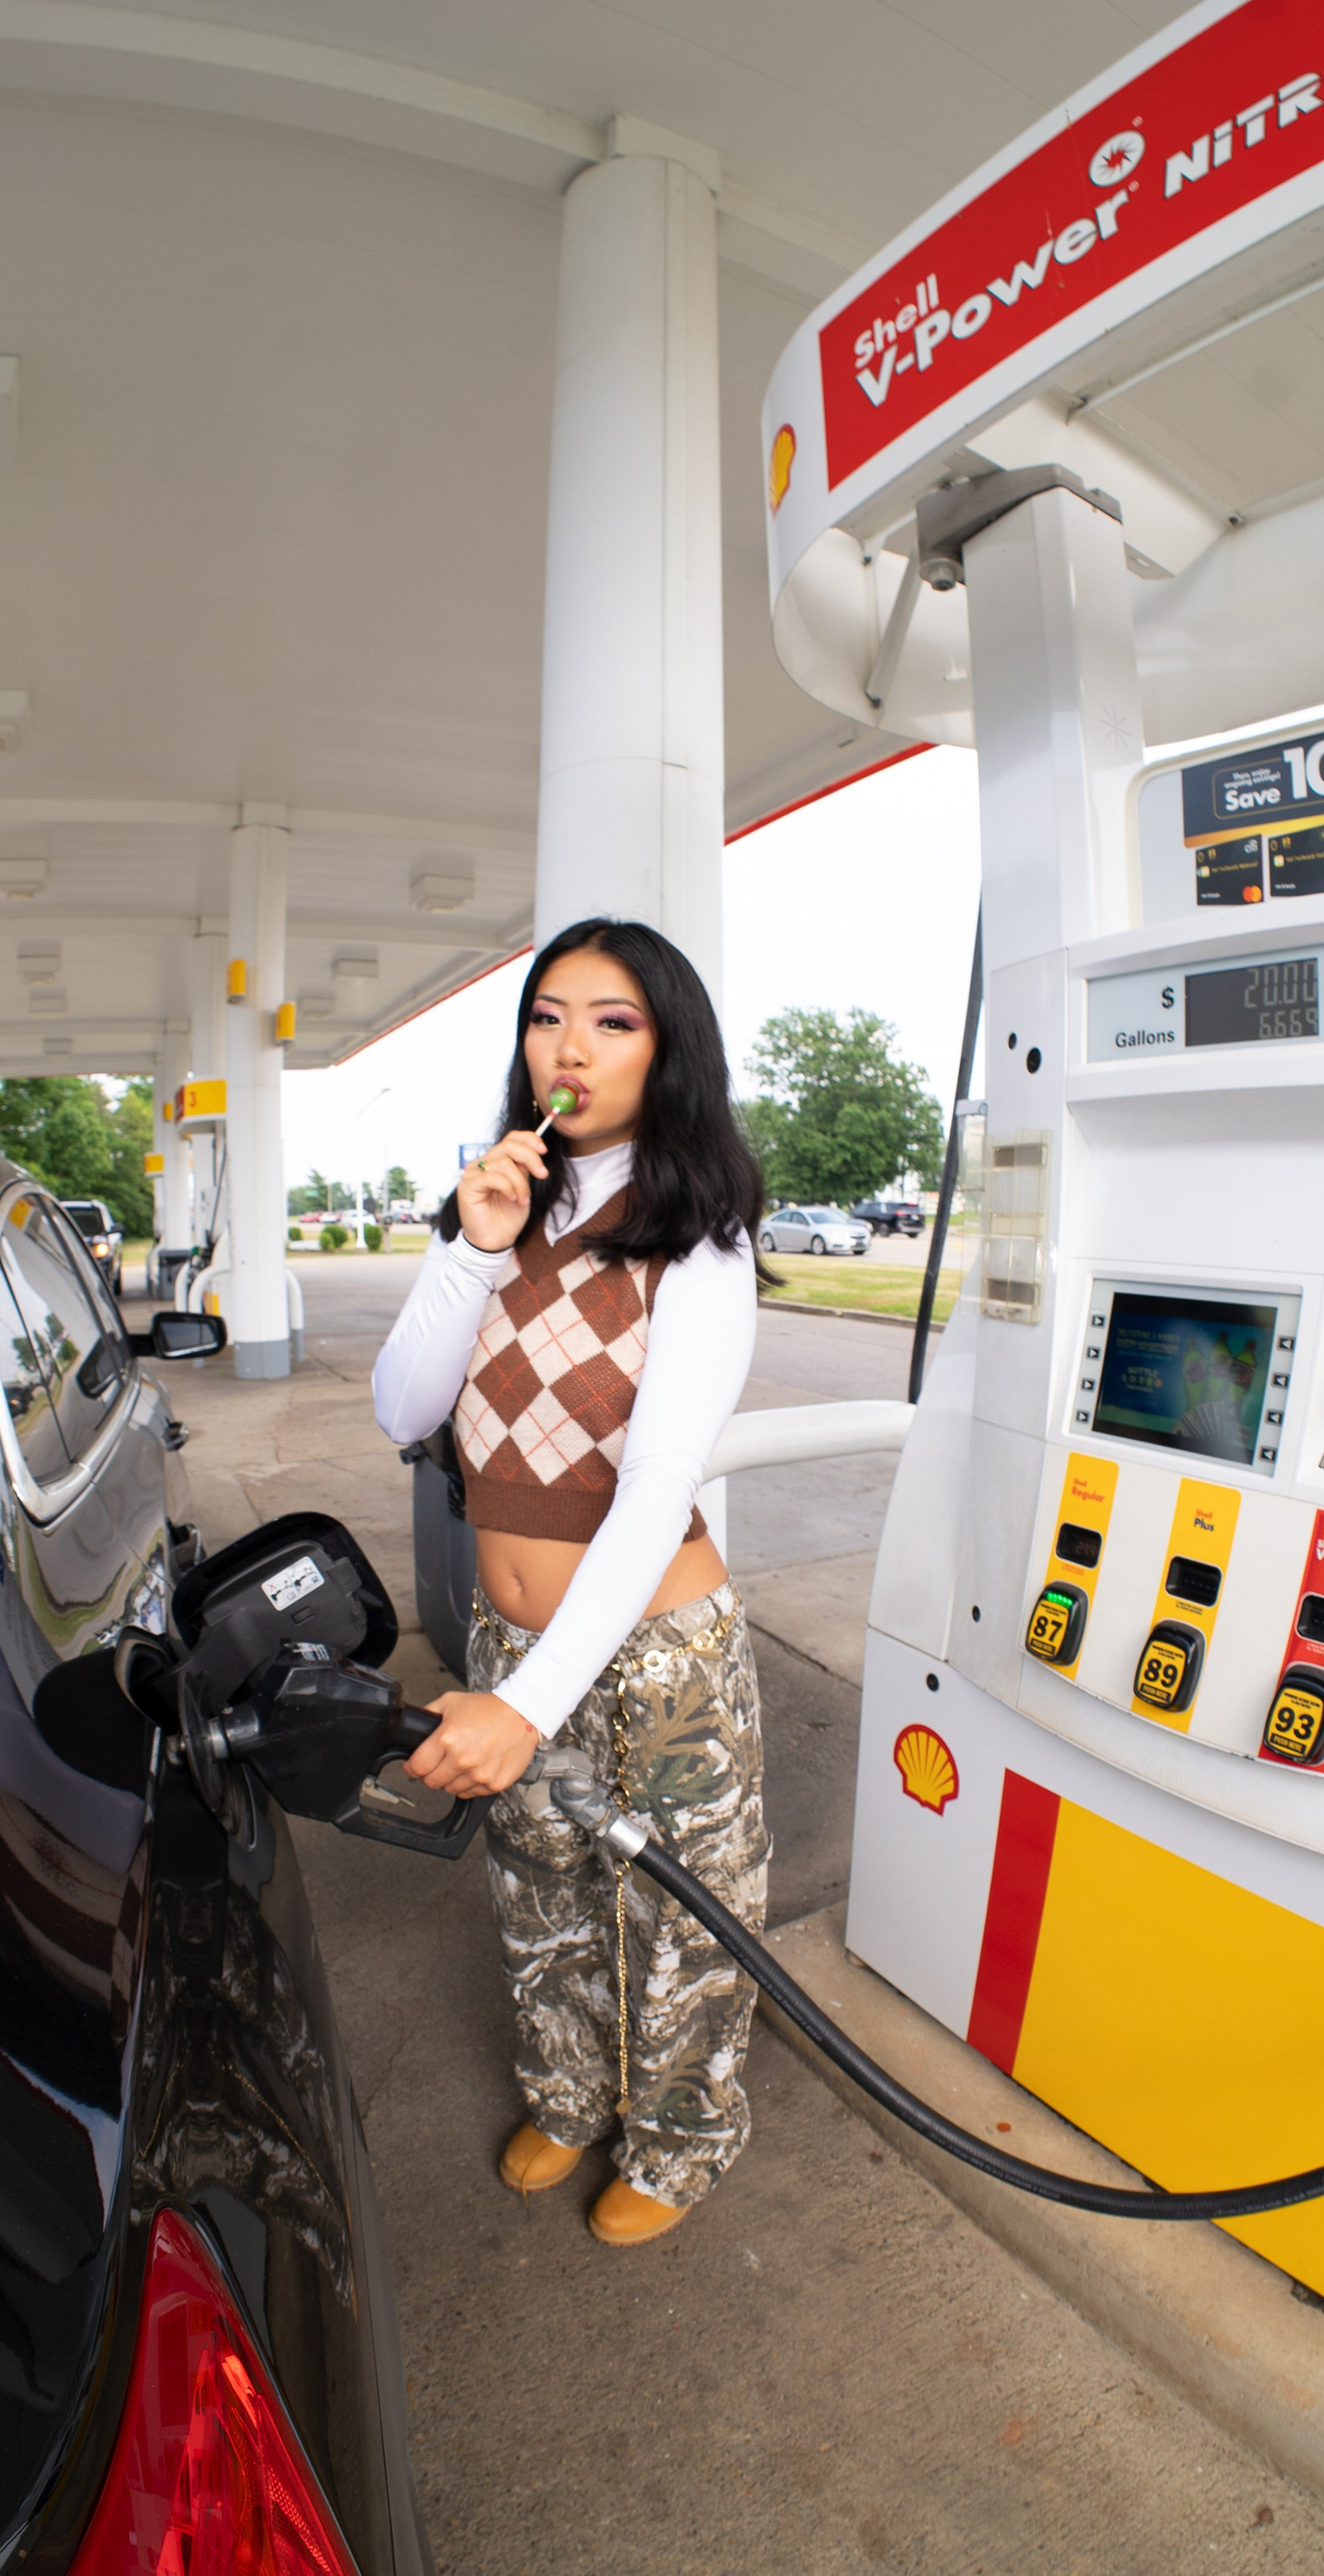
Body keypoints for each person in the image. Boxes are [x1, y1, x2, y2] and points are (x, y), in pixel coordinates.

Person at [370, 918, 767, 2247]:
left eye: (612, 1020)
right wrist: (476, 1244)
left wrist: (528, 1705)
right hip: (507, 1630)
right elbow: (402, 1406)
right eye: (549, 1015)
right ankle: (569, 2089)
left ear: (668, 1052)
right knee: (540, 1877)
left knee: (678, 1905)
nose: (570, 1045)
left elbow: (659, 1489)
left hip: (656, 1651)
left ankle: (681, 2139)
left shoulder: (699, 1236)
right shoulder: (499, 1199)